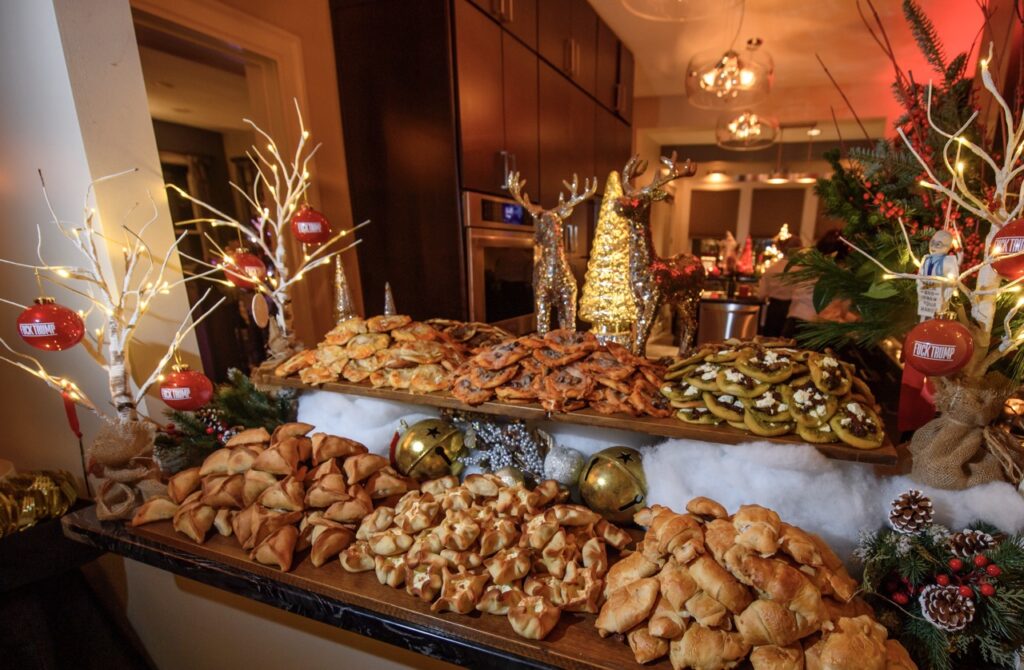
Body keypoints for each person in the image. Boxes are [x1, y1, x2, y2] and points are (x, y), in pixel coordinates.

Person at [782, 228, 857, 337]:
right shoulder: (838, 274)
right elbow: (830, 313)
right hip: (814, 330)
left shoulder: (809, 267)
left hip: (794, 324)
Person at [757, 236, 800, 336]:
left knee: (770, 342)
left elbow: (761, 295)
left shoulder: (772, 269)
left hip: (774, 310)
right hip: (793, 311)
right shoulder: (801, 271)